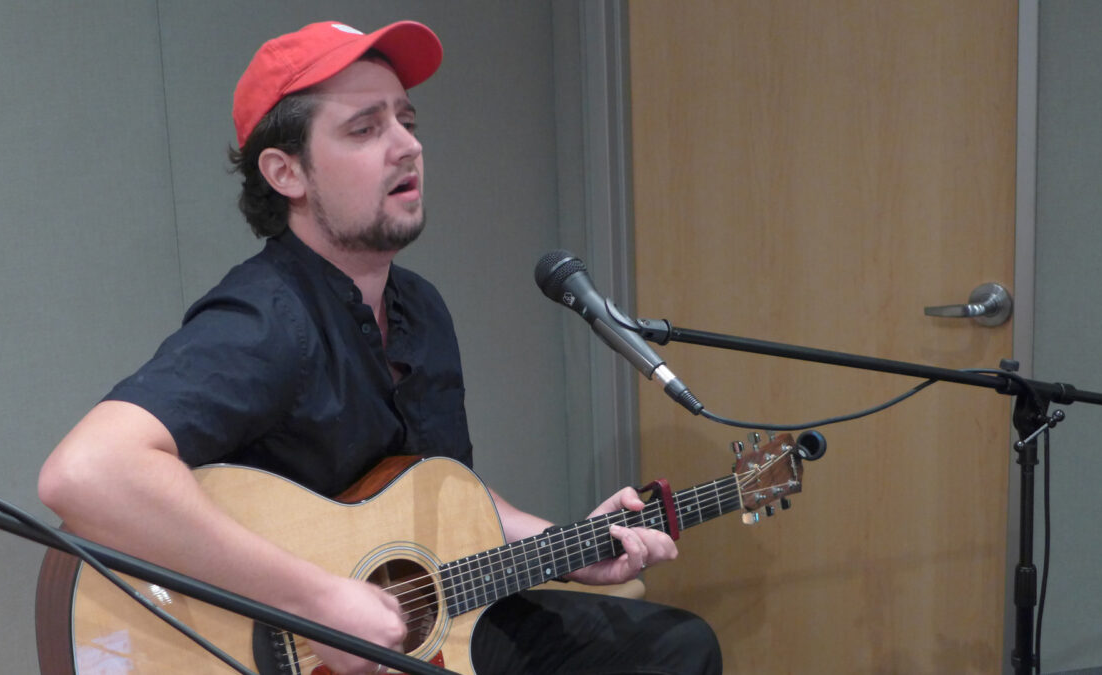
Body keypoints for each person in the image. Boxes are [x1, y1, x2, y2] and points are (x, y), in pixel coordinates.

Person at [38, 19, 720, 675]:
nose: (406, 145)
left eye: (407, 120)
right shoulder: (265, 319)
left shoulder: (419, 308)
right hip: (259, 650)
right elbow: (87, 470)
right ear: (286, 173)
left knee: (672, 648)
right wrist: (313, 598)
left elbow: (439, 499)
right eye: (365, 129)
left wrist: (558, 545)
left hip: (424, 636)